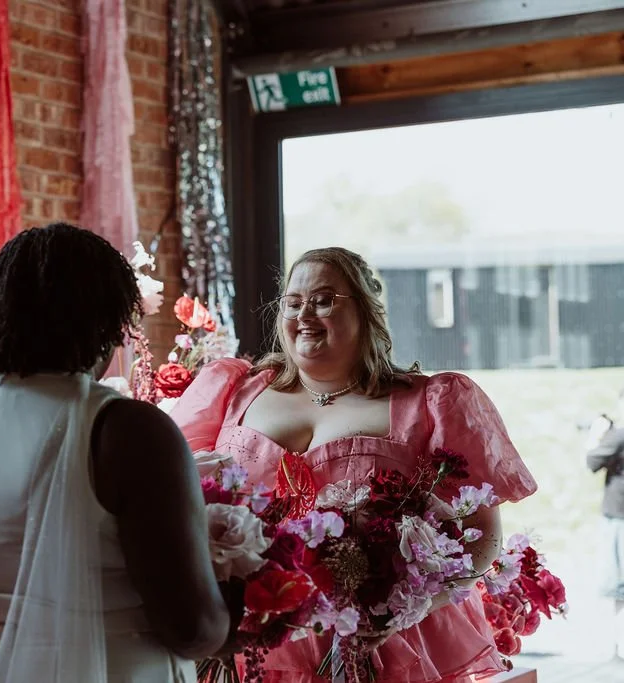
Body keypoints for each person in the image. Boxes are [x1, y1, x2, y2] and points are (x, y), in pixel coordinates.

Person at [170, 247, 538, 683]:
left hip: (387, 647)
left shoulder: (431, 403)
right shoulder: (231, 390)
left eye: (324, 300)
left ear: (365, 312)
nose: (305, 313)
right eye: (293, 302)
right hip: (248, 641)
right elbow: (173, 500)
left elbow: (483, 539)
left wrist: (407, 609)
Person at [0, 223, 231, 683]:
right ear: (101, 319)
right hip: (105, 667)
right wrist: (255, 594)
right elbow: (192, 626)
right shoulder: (128, 429)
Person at [585, 391, 624, 658]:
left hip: (618, 517)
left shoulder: (619, 435)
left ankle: (620, 645)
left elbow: (589, 461)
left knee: (617, 585)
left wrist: (595, 435)